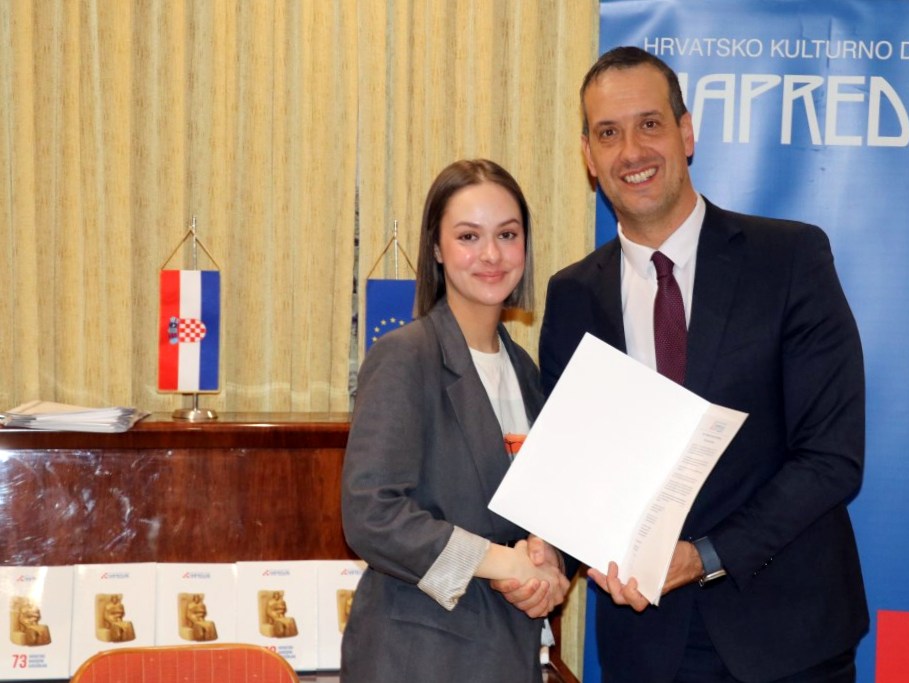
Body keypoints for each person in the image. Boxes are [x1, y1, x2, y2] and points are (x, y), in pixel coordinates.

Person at [538, 47, 868, 682]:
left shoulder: (790, 259)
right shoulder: (571, 296)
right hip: (646, 645)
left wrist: (704, 555)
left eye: (649, 124)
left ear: (686, 133)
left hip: (788, 639)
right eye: (608, 133)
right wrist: (547, 554)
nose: (631, 151)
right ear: (588, 156)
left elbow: (832, 457)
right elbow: (575, 473)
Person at [341, 158, 570, 683]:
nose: (491, 254)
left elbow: (528, 512)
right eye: (469, 236)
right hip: (418, 659)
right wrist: (501, 562)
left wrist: (547, 563)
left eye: (507, 235)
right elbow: (370, 515)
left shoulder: (525, 370)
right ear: (437, 249)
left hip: (507, 655)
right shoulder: (406, 355)